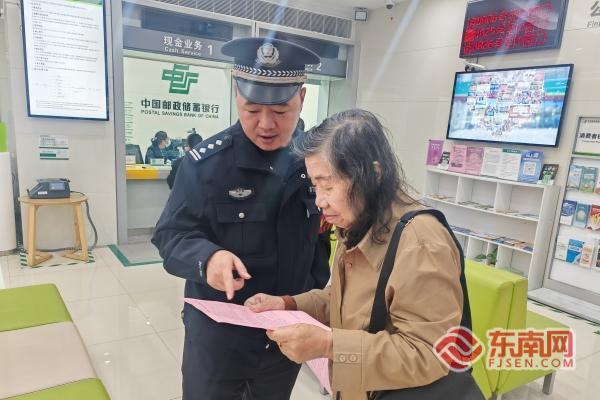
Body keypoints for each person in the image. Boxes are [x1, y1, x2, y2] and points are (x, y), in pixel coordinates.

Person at [245, 110, 478, 400]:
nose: (319, 201)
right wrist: (287, 304)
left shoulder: (421, 242)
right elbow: (343, 299)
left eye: (328, 186)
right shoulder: (356, 224)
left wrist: (329, 345)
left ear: (373, 175)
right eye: (315, 186)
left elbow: (429, 353)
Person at [151, 37, 331, 400]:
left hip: (285, 334)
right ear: (236, 95)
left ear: (301, 97)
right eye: (252, 109)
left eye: (280, 111)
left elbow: (320, 237)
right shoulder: (205, 164)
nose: (266, 124)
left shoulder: (316, 161)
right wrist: (208, 258)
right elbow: (170, 235)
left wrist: (310, 295)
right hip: (220, 337)